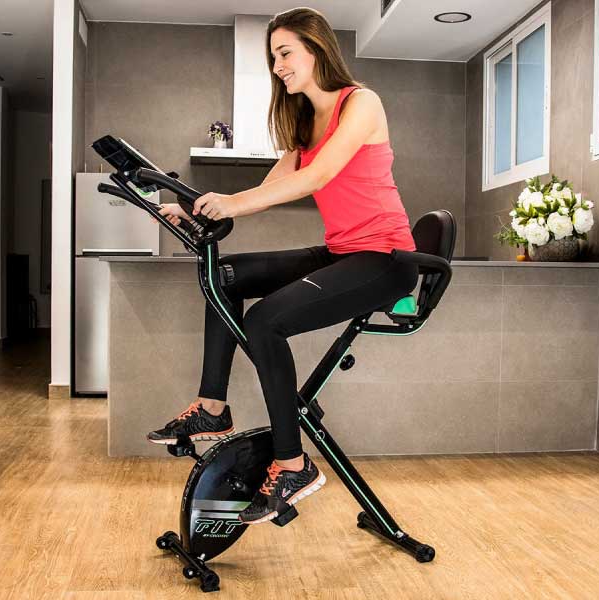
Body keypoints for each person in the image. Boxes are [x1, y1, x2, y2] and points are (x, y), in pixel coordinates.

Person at [148, 7, 419, 525]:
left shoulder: (360, 103)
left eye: (284, 52)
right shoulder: (304, 122)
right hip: (343, 250)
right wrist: (197, 207)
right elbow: (271, 188)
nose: (277, 66)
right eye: (273, 57)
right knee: (223, 277)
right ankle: (212, 407)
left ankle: (292, 465)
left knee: (265, 319)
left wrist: (229, 205)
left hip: (386, 258)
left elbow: (316, 178)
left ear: (316, 48)